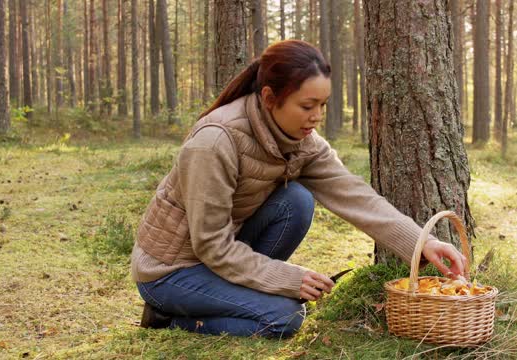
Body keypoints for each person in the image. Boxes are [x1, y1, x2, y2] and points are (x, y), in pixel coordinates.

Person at [131, 40, 467, 338]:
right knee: (285, 317)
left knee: (296, 201)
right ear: (269, 98)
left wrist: (424, 243)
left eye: (322, 105)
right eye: (307, 106)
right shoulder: (214, 143)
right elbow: (210, 244)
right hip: (171, 272)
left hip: (219, 253)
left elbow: (356, 196)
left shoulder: (302, 141)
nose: (317, 116)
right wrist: (288, 278)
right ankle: (168, 319)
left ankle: (242, 296)